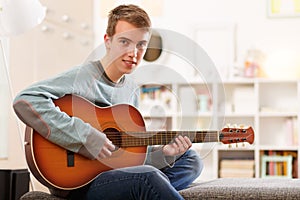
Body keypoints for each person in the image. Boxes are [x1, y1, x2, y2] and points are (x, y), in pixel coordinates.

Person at [13, 4, 203, 200]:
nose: (133, 52)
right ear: (108, 41)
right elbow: (25, 100)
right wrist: (85, 136)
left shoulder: (131, 88)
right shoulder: (84, 77)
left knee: (191, 160)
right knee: (148, 177)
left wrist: (165, 154)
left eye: (141, 44)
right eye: (124, 42)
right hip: (78, 183)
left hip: (115, 174)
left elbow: (130, 158)